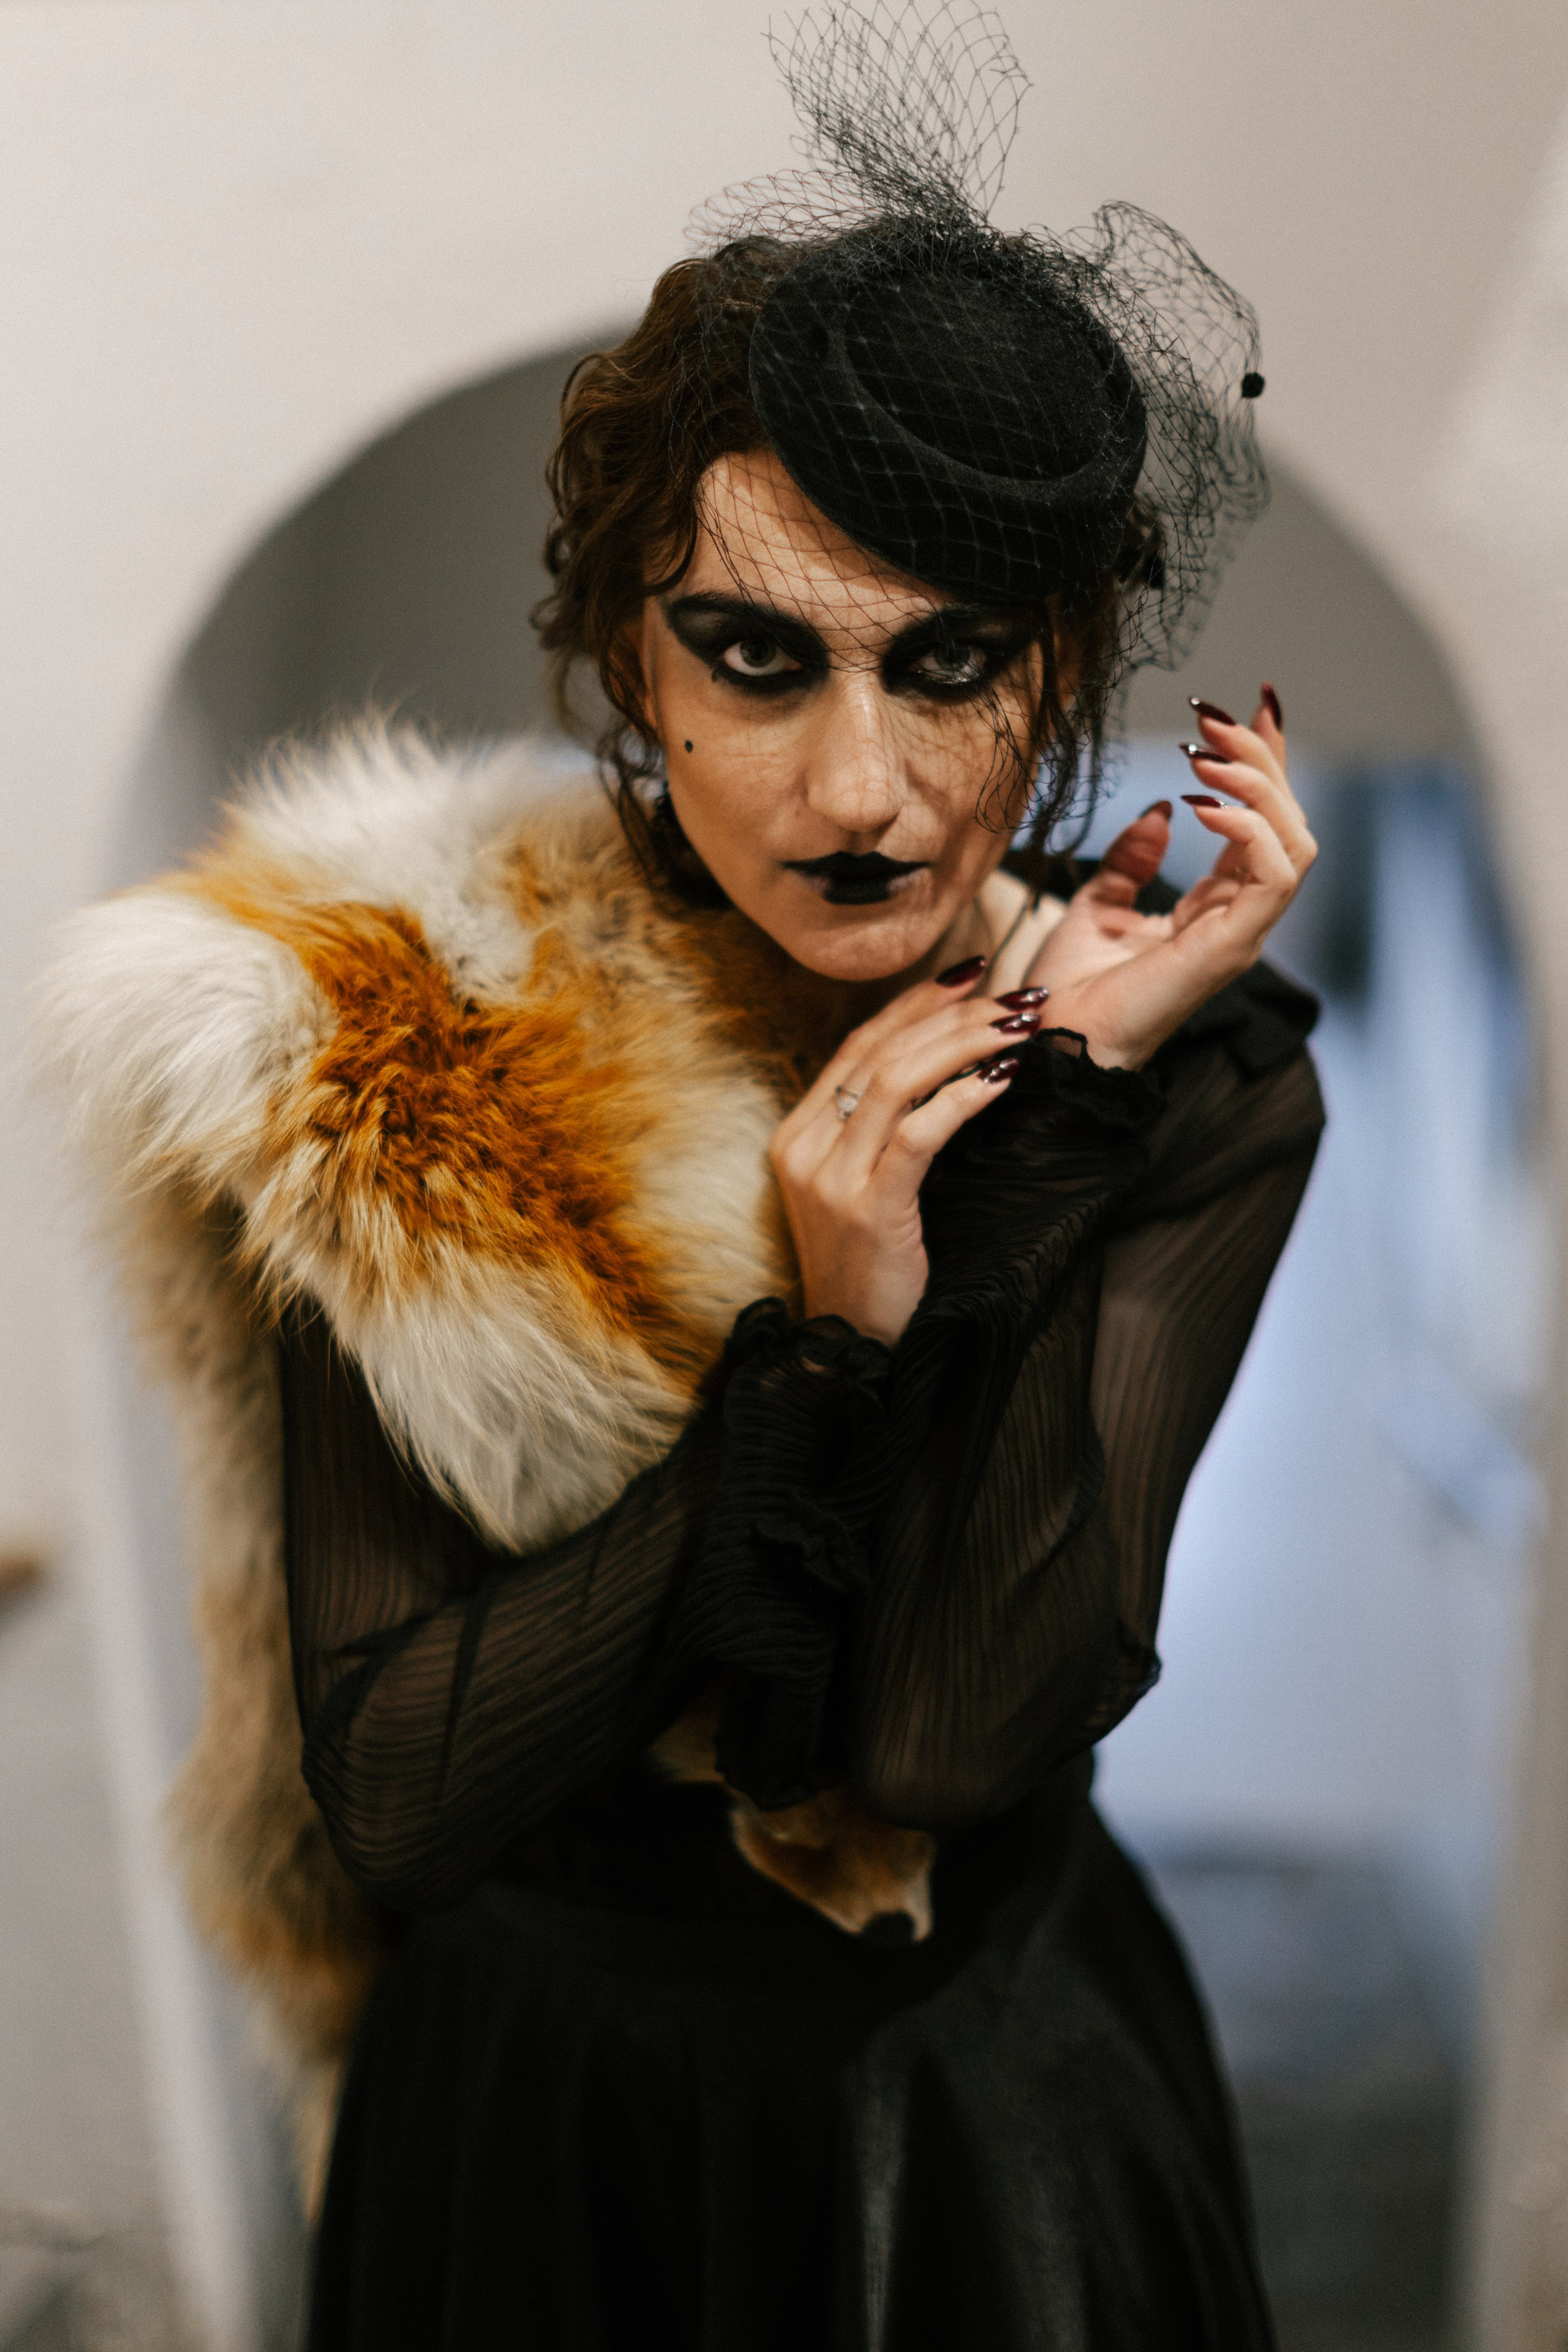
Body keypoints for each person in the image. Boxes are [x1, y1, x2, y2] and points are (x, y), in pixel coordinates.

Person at [42, 7, 1322, 2345]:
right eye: (755, 654)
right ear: (633, 661)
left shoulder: (1193, 1076)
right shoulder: (399, 1032)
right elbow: (401, 1792)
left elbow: (943, 1739)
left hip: (986, 2125)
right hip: (543, 2140)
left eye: (953, 661)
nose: (859, 790)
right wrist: (809, 1359)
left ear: (1064, 671)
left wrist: (1048, 1144)